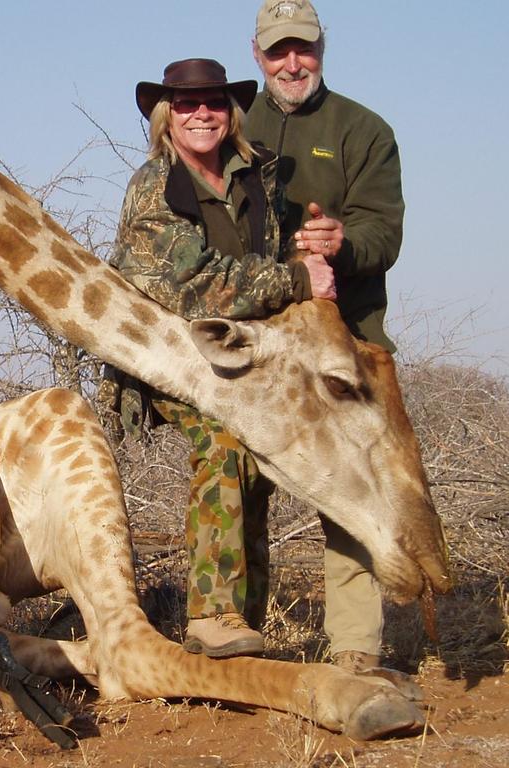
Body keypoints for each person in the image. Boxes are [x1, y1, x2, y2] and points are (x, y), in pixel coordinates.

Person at [108, 57, 336, 658]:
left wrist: (308, 246)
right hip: (166, 354)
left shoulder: (256, 175)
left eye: (212, 101)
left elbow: (270, 248)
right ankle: (211, 614)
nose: (201, 113)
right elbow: (190, 287)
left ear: (230, 111)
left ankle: (245, 627)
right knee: (225, 443)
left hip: (237, 354)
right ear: (168, 116)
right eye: (187, 104)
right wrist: (295, 280)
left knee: (257, 462)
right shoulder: (153, 185)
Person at [244, 0, 405, 672]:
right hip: (258, 342)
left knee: (347, 486)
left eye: (303, 49)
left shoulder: (363, 130)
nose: (291, 63)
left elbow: (384, 234)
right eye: (278, 50)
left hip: (345, 336)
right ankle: (238, 635)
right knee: (239, 482)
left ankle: (353, 647)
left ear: (321, 49)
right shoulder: (227, 121)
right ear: (257, 55)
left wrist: (341, 243)